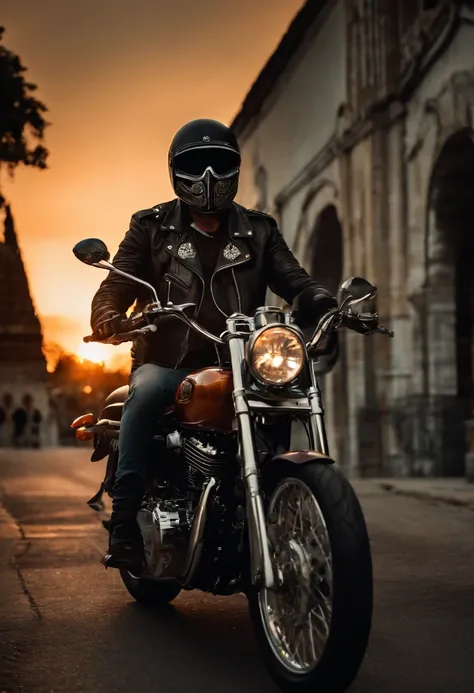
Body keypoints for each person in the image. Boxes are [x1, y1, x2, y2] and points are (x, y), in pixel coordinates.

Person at [90, 118, 338, 569]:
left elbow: (294, 279)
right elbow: (115, 284)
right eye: (196, 165)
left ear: (234, 169)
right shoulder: (150, 227)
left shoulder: (259, 230)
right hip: (170, 363)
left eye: (218, 164)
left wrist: (321, 301)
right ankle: (125, 522)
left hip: (244, 364)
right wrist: (109, 315)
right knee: (144, 391)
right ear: (176, 171)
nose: (207, 177)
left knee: (286, 394)